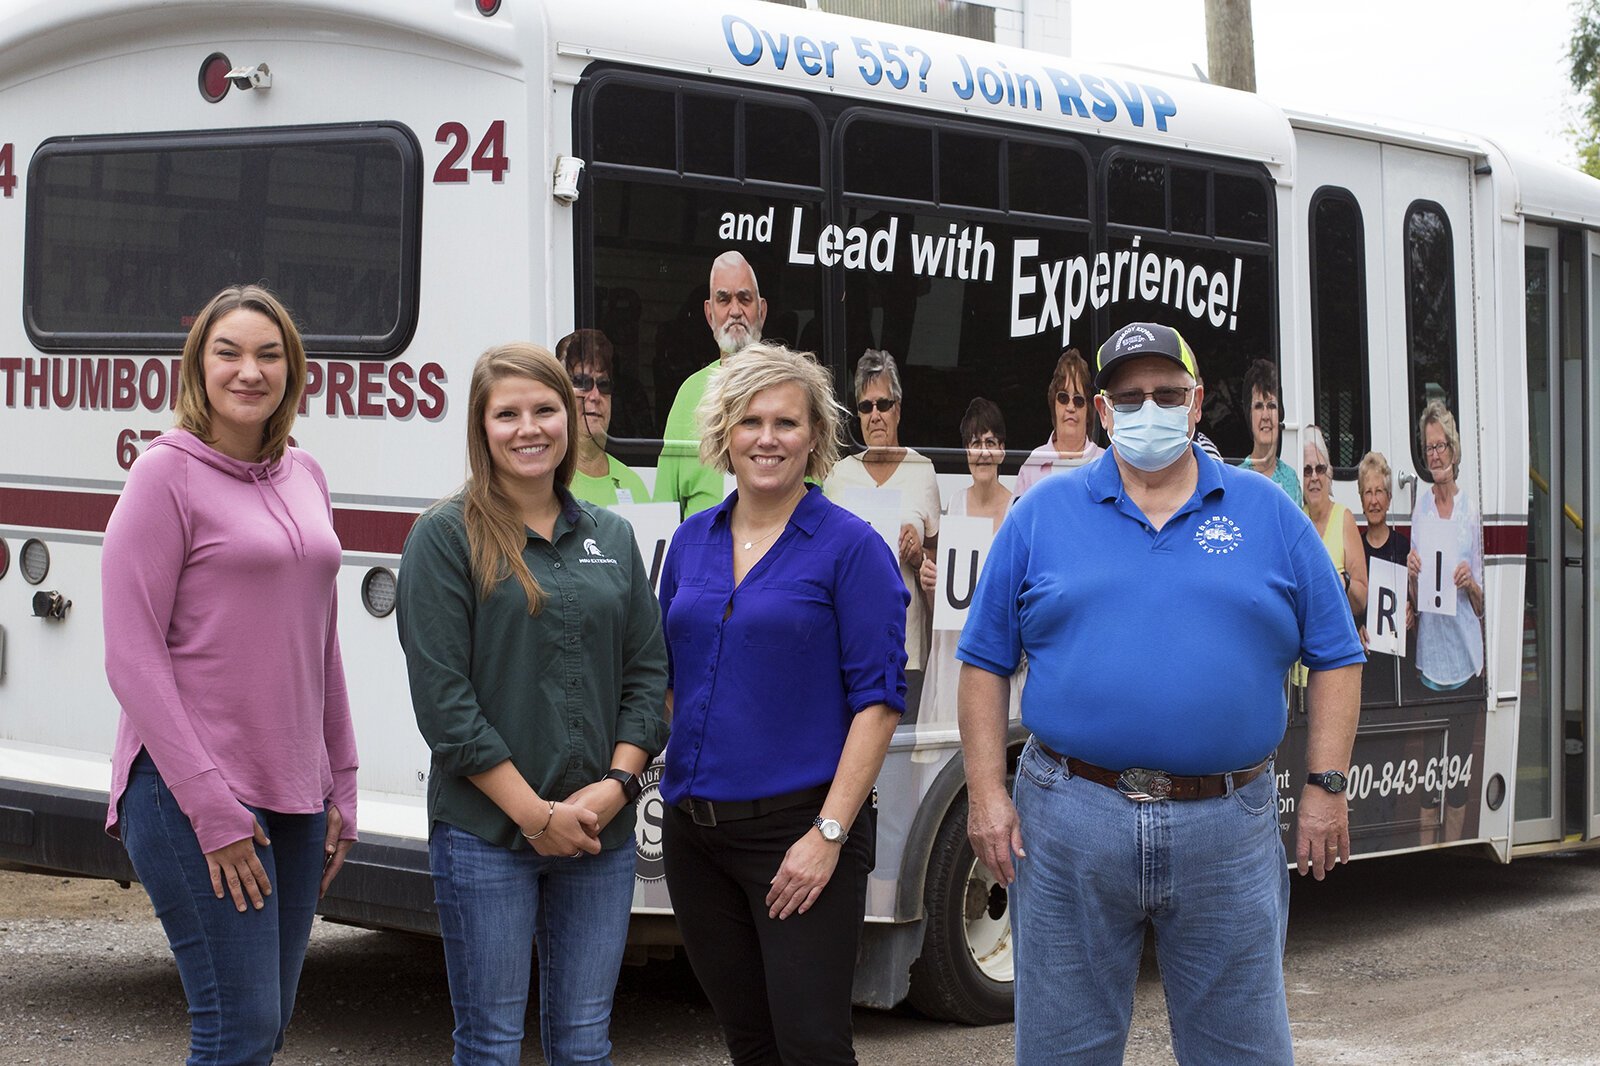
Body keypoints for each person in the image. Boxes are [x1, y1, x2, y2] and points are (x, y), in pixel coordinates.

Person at [958, 321, 1364, 1065]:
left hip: (1227, 828)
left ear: (1199, 402)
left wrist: (1326, 787)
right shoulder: (1042, 514)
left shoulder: (1267, 514)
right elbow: (983, 659)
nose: (1151, 409)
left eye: (1167, 394)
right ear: (1105, 412)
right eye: (1132, 396)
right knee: (1062, 1054)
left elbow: (1337, 653)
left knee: (1240, 1054)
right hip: (1072, 818)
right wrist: (986, 793)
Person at [102, 284, 357, 1066]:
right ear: (198, 366)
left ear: (292, 368)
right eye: (229, 353)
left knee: (267, 1026)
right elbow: (131, 656)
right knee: (235, 1028)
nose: (250, 371)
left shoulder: (304, 472)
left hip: (294, 793)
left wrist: (340, 780)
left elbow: (322, 638)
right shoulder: (163, 475)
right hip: (192, 795)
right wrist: (211, 808)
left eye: (269, 354)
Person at [396, 343, 669, 1066]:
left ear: (571, 419)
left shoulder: (611, 536)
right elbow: (445, 702)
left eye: (545, 409)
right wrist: (537, 817)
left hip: (600, 835)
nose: (529, 428)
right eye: (507, 413)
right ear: (481, 429)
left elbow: (647, 673)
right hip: (488, 837)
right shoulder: (443, 537)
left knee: (584, 1045)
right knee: (489, 1046)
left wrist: (614, 791)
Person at [658, 343, 908, 1066]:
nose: (767, 438)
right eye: (750, 421)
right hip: (695, 838)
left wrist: (827, 835)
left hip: (800, 838)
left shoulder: (850, 549)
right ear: (724, 436)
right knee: (752, 1042)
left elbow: (879, 703)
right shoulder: (690, 543)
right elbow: (673, 675)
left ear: (815, 438)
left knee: (812, 1047)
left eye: (787, 423)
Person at [822, 349, 940, 711]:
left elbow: (941, 565)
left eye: (883, 404)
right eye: (865, 406)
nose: (875, 415)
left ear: (899, 409)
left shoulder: (923, 471)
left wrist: (919, 555)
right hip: (848, 646)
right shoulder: (838, 475)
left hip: (906, 649)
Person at [917, 398, 1018, 728]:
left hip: (999, 652)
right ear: (966, 452)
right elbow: (943, 604)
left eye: (991, 442)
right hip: (954, 653)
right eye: (975, 443)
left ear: (1003, 451)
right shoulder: (954, 506)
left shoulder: (1016, 511)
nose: (984, 452)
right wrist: (930, 584)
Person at [655, 250, 768, 517]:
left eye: (744, 298)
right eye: (724, 299)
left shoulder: (788, 390)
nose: (735, 311)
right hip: (700, 555)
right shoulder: (688, 394)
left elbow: (809, 492)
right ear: (709, 314)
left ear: (761, 310)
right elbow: (664, 504)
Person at [1407, 399, 1485, 691]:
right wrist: (1412, 574)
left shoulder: (1470, 511)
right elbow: (1416, 601)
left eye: (1440, 446)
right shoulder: (1421, 511)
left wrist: (1470, 585)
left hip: (1465, 657)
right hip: (1431, 659)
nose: (1435, 456)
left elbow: (1480, 606)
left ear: (1453, 449)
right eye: (1429, 448)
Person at [556, 328, 650, 507]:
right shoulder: (547, 480)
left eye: (603, 384)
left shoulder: (633, 484)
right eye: (582, 382)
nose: (595, 395)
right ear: (559, 392)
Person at [1014, 347, 1104, 494]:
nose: (1070, 407)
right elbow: (1016, 517)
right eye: (1063, 398)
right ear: (1053, 404)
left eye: (1078, 400)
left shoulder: (1105, 462)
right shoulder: (1034, 463)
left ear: (1088, 409)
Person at [1304, 424, 1369, 620]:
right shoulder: (1297, 518)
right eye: (1307, 470)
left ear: (1329, 473)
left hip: (1336, 634)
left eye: (1320, 469)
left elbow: (1362, 600)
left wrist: (1344, 582)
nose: (1314, 477)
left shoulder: (1344, 519)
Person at [1357, 450, 1414, 651]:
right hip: (1367, 654)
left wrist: (1411, 612)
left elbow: (1414, 600)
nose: (1374, 501)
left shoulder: (1404, 547)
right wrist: (1357, 629)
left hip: (1398, 657)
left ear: (1389, 499)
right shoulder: (1356, 549)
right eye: (1368, 492)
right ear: (1361, 501)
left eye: (1379, 491)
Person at [1239, 357, 1302, 504]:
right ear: (1249, 414)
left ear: (1280, 413)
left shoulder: (1291, 480)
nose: (1266, 416)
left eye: (1272, 406)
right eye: (1259, 406)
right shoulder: (1238, 479)